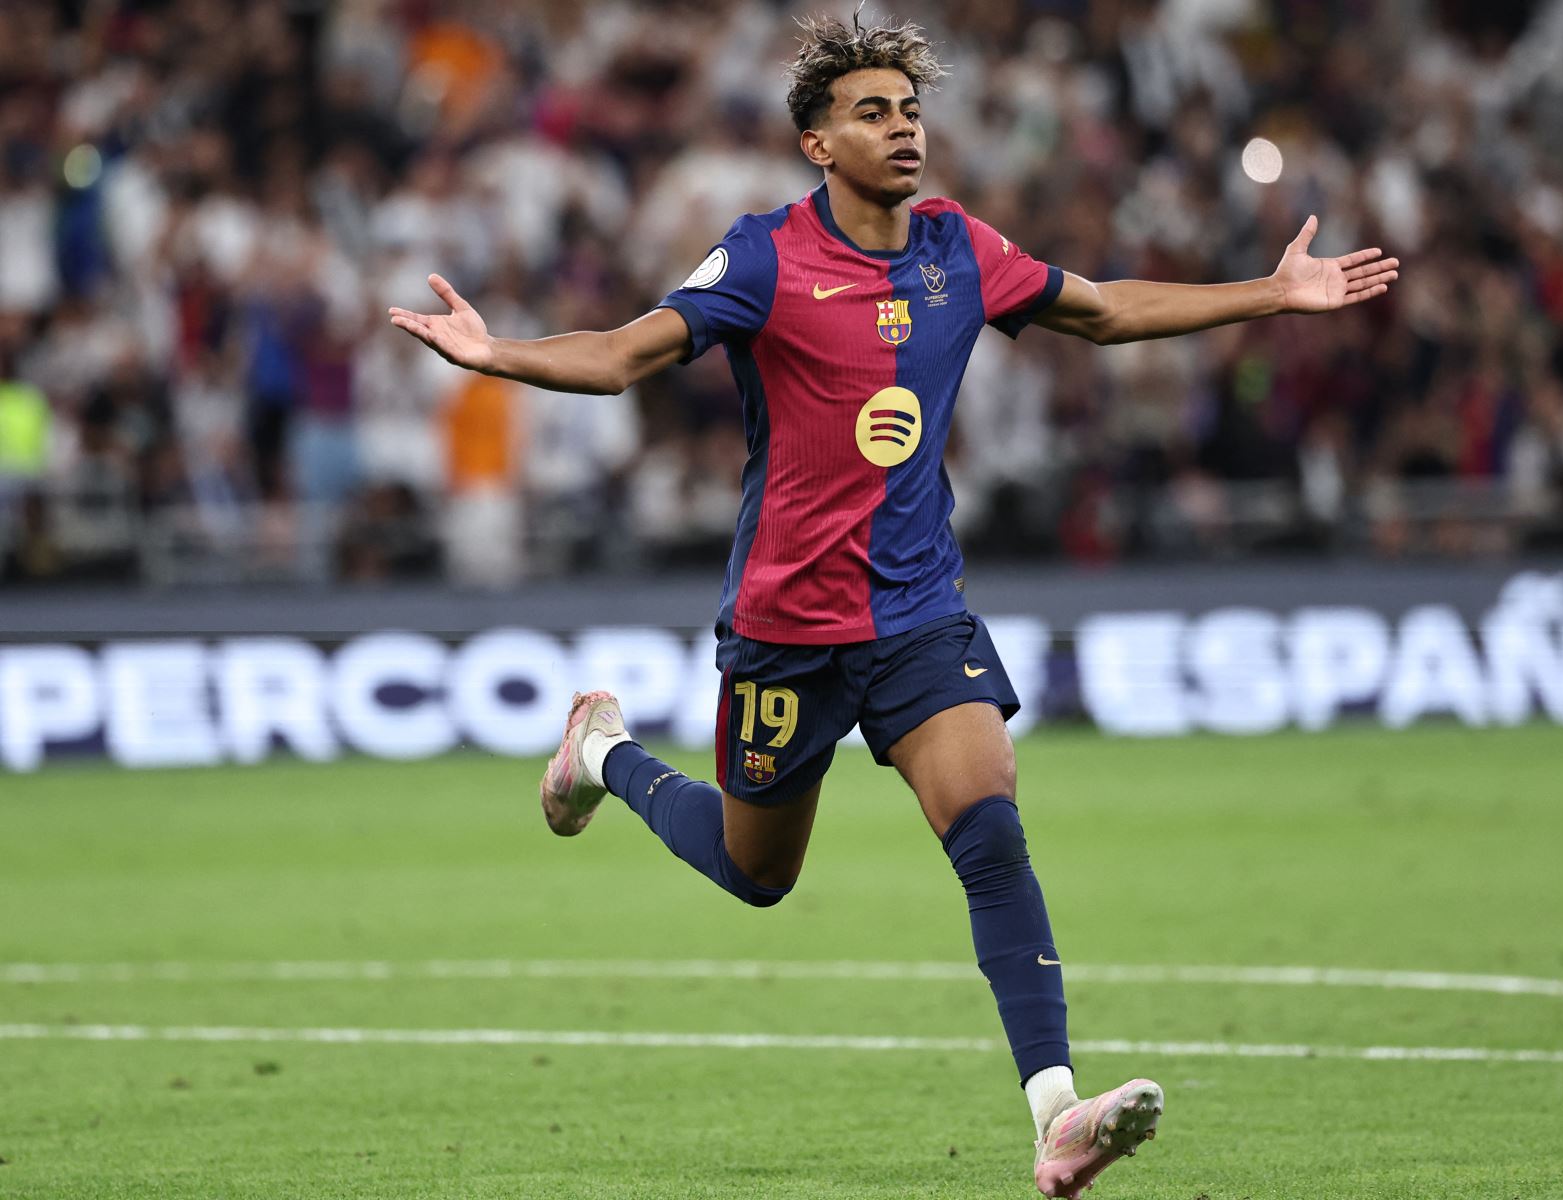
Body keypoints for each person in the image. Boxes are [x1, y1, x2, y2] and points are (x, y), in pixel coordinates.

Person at [388, 15, 1398, 1197]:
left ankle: (1057, 1117)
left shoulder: (958, 250)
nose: (903, 127)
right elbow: (623, 355)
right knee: (758, 872)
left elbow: (1108, 310)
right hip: (786, 628)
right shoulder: (764, 257)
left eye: (910, 110)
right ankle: (604, 751)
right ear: (817, 142)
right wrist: (498, 352)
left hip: (919, 615)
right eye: (872, 112)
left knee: (989, 823)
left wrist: (1272, 296)